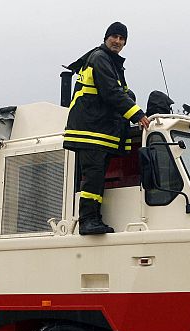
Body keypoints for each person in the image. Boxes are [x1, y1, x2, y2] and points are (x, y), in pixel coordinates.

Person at [63, 22, 150, 235]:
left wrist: (131, 104)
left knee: (96, 177)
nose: (118, 42)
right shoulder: (100, 59)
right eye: (115, 37)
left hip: (98, 130)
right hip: (91, 130)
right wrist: (138, 115)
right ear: (106, 37)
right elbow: (111, 93)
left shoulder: (111, 62)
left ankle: (94, 218)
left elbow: (123, 94)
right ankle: (88, 220)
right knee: (92, 177)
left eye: (122, 39)